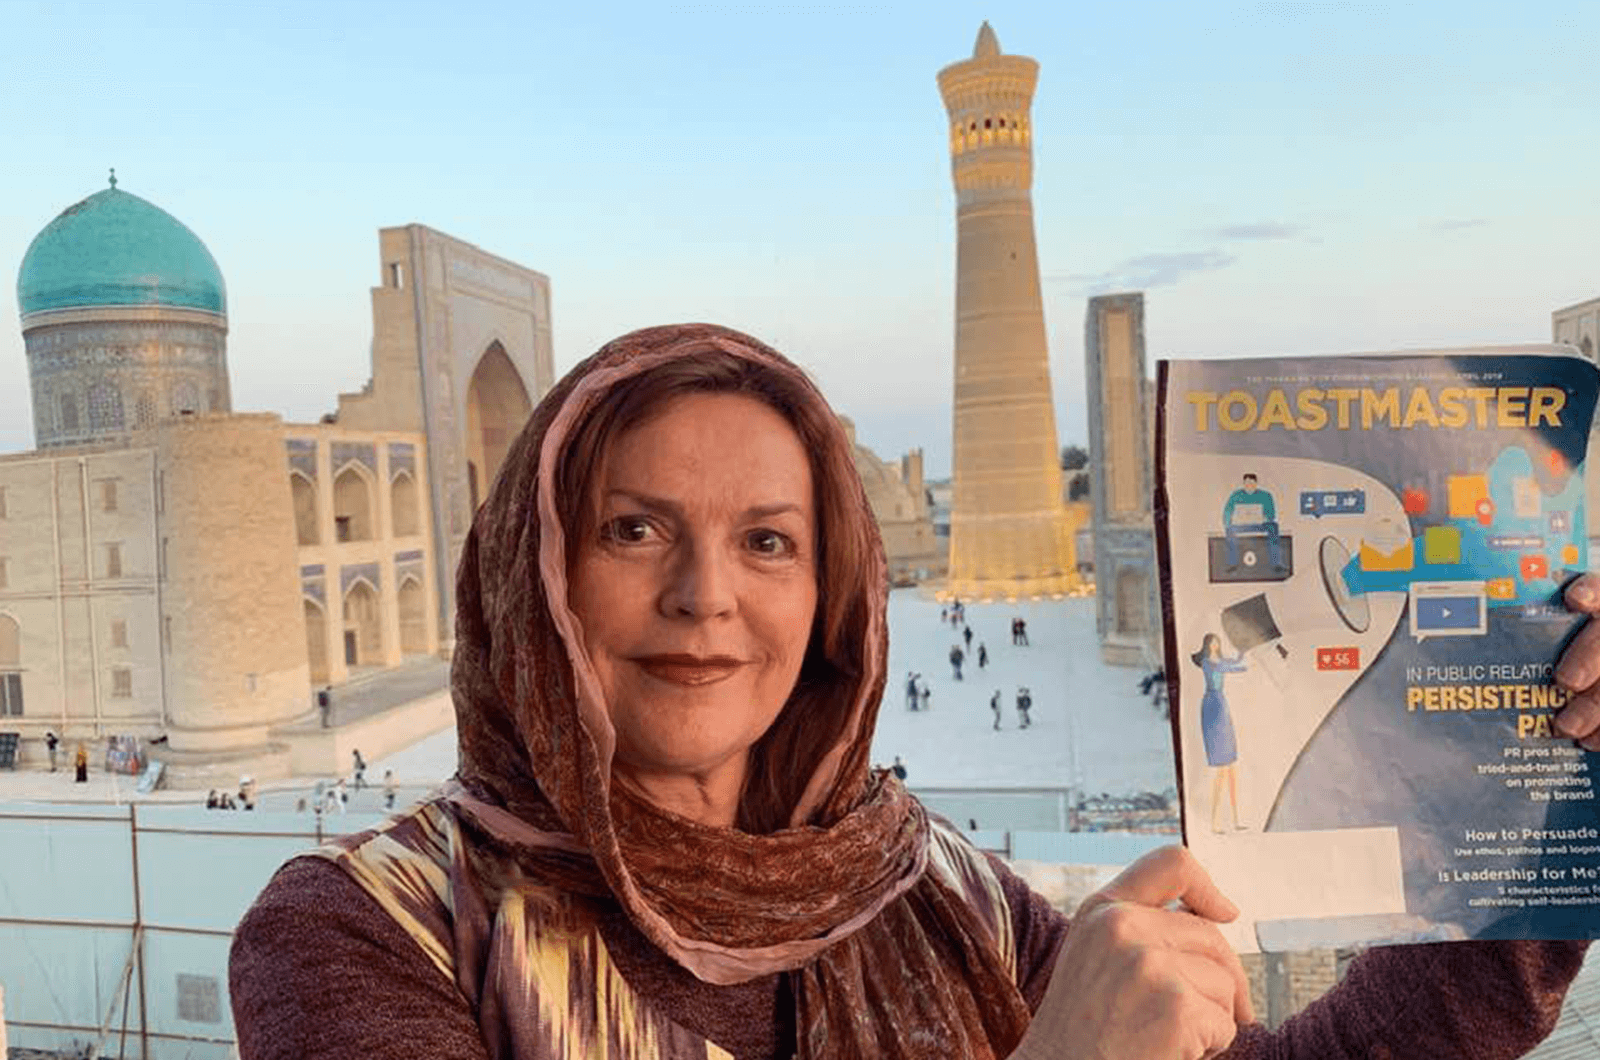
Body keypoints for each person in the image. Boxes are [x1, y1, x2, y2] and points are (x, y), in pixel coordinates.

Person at [229, 324, 1592, 1060]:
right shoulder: (371, 938)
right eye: (634, 531)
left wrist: (1549, 789)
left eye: (769, 541)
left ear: (833, 601)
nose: (708, 595)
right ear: (535, 578)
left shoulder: (939, 896)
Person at [1194, 632, 1248, 832]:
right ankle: (1215, 822)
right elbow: (1229, 667)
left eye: (1217, 642)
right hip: (1213, 706)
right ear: (1207, 645)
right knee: (1222, 770)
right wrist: (1242, 665)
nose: (1215, 645)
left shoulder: (1219, 661)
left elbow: (1233, 662)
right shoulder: (1208, 663)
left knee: (1231, 770)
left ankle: (1235, 820)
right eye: (1212, 642)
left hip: (1221, 705)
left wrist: (1243, 654)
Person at [1221, 472, 1286, 575]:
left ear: (1256, 484)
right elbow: (1227, 511)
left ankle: (1276, 564)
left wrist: (1265, 518)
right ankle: (1232, 564)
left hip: (1260, 525)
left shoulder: (1266, 495)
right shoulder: (1236, 495)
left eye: (1251, 483)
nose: (1249, 486)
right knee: (1230, 530)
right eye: (1246, 484)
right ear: (1243, 484)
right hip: (1242, 525)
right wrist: (1228, 522)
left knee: (1273, 527)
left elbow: (1271, 514)